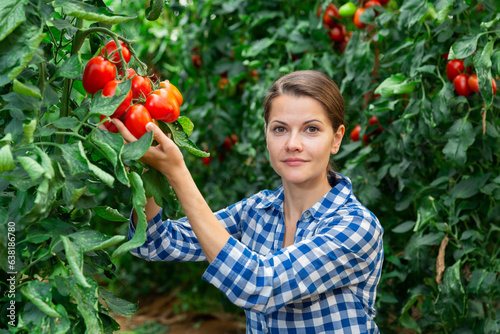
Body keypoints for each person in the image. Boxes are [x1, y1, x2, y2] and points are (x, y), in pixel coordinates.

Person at [112, 70, 384, 333]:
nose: (293, 143)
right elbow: (153, 243)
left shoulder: (357, 227)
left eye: (311, 129)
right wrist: (147, 158)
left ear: (336, 139)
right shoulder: (257, 212)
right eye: (280, 129)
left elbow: (259, 284)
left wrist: (177, 172)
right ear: (266, 134)